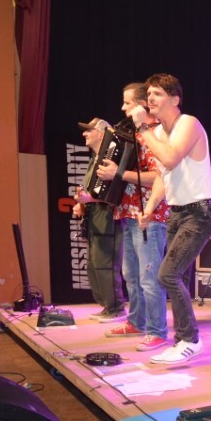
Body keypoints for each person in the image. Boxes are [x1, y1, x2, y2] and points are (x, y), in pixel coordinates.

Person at [135, 73, 211, 366]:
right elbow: (163, 174)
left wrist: (143, 128)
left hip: (200, 211)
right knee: (175, 276)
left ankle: (190, 340)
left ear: (174, 99)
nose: (150, 99)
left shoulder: (188, 123)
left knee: (167, 275)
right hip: (178, 211)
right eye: (148, 94)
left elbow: (171, 158)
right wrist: (150, 208)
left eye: (157, 93)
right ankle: (182, 340)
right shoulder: (158, 133)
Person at [98, 83, 171, 351]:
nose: (123, 108)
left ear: (141, 105)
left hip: (149, 215)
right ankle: (137, 321)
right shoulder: (133, 134)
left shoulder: (156, 134)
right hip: (128, 213)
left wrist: (118, 174)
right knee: (131, 274)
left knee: (149, 277)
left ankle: (157, 331)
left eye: (127, 103)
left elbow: (159, 177)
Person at [73, 118, 125, 321]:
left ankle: (116, 308)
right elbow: (91, 191)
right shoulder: (94, 159)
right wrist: (82, 204)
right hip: (94, 218)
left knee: (105, 265)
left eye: (89, 131)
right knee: (94, 265)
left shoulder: (110, 161)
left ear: (102, 134)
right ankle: (107, 307)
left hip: (107, 219)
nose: (84, 134)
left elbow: (115, 193)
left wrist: (89, 199)